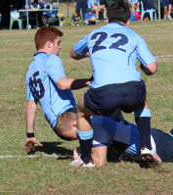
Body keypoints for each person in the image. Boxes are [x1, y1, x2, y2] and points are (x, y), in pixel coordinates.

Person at [69, 0, 159, 168]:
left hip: (104, 93)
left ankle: (86, 158)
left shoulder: (94, 34)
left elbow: (73, 53)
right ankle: (146, 146)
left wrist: (89, 54)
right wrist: (143, 69)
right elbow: (152, 68)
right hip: (132, 89)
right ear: (128, 21)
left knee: (81, 111)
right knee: (142, 101)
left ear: (107, 20)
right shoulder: (134, 35)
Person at [22, 26, 92, 153]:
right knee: (106, 111)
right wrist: (89, 82)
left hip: (57, 125)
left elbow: (31, 105)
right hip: (67, 118)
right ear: (49, 44)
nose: (59, 47)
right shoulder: (50, 59)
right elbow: (63, 84)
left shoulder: (30, 70)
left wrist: (30, 135)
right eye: (58, 43)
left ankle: (88, 151)